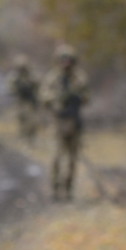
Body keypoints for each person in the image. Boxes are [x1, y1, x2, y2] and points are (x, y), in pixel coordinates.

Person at [41, 44, 89, 202]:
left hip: (74, 123)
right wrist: (58, 100)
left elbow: (87, 97)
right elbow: (44, 96)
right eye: (63, 59)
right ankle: (55, 189)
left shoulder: (79, 78)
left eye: (69, 60)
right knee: (56, 158)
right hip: (58, 123)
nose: (66, 63)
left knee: (72, 160)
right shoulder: (53, 78)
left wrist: (77, 97)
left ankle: (68, 190)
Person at [7, 54, 40, 143]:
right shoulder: (15, 77)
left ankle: (31, 138)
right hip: (21, 101)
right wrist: (18, 89)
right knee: (22, 119)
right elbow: (10, 89)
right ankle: (23, 137)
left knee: (32, 121)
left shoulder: (31, 75)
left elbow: (38, 85)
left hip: (31, 101)